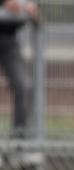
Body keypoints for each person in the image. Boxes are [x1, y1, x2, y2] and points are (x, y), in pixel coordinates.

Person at [0, 0, 36, 139]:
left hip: (9, 40)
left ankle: (18, 145)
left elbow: (35, 11)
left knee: (23, 87)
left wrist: (29, 8)